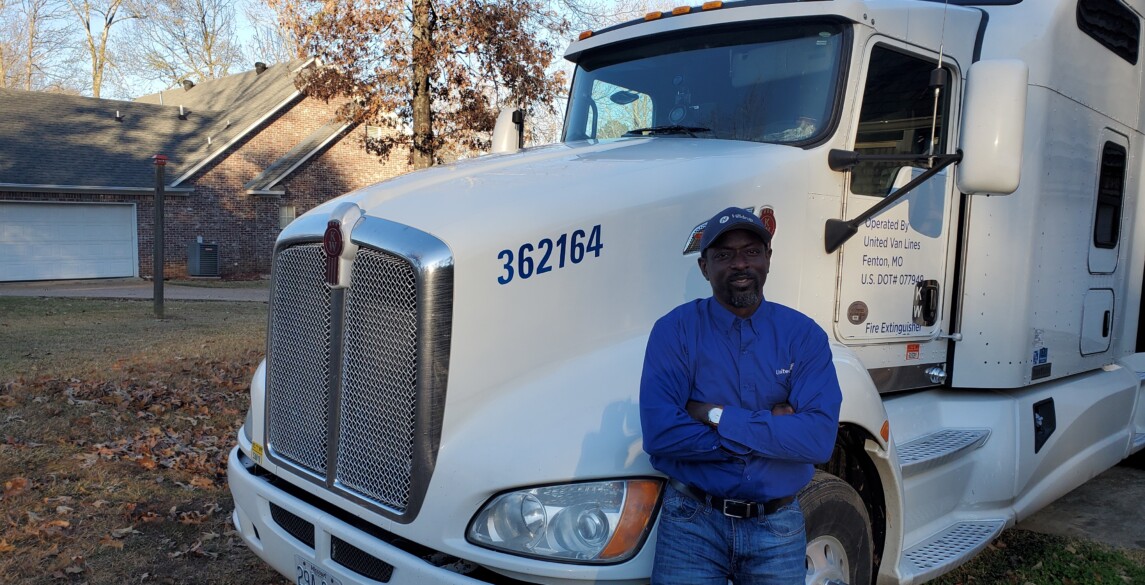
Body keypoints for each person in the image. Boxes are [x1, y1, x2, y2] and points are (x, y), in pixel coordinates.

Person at [639, 206, 842, 584]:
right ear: (704, 267)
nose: (739, 264)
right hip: (691, 523)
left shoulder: (804, 336)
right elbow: (660, 433)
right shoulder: (674, 332)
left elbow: (817, 439)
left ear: (768, 259)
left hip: (777, 528)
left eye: (751, 251)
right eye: (724, 255)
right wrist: (773, 431)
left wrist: (715, 415)